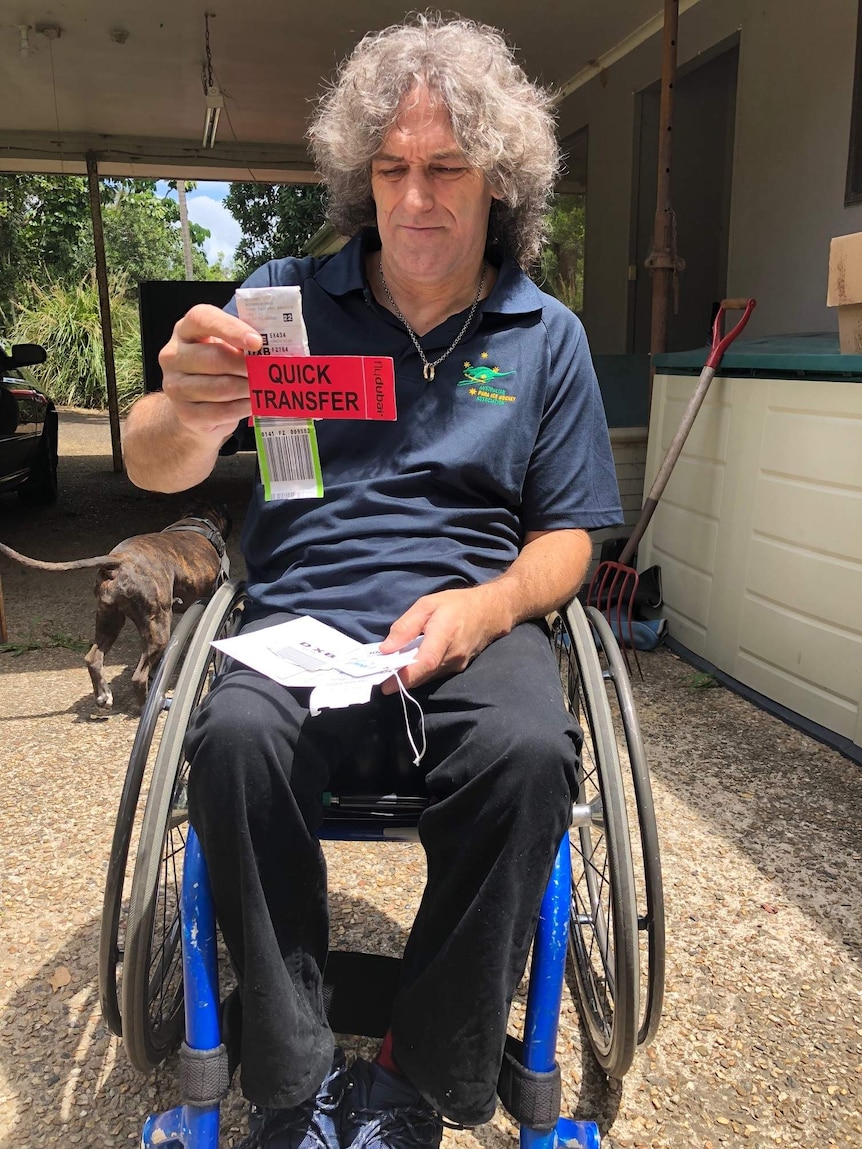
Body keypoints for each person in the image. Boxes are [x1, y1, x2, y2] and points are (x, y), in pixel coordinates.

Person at [123, 14, 622, 1149]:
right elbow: (161, 463)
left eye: (445, 168)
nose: (415, 199)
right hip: (300, 615)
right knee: (235, 743)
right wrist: (183, 412)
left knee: (532, 752)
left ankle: (416, 1071)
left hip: (469, 623)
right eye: (391, 168)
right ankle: (291, 1082)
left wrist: (489, 607)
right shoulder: (287, 308)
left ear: (499, 180)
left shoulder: (543, 337)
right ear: (363, 175)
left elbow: (572, 538)